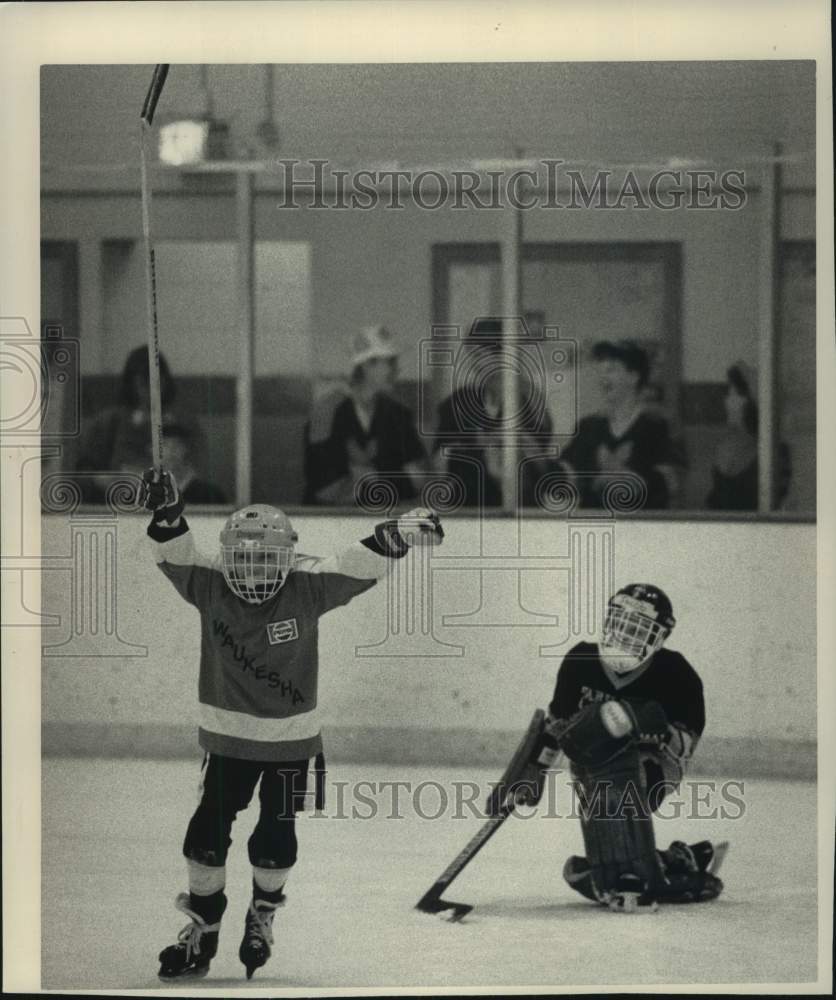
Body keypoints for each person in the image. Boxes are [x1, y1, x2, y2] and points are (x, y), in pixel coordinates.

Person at [139, 468, 443, 980]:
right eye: (244, 556)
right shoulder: (209, 581)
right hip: (228, 743)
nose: (255, 569)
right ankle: (205, 926)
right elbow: (175, 552)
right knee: (205, 837)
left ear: (287, 557)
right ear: (227, 554)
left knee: (276, 839)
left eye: (266, 558)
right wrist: (166, 513)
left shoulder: (305, 587)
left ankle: (262, 913)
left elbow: (355, 560)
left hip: (289, 745)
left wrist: (400, 531)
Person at [539, 583, 723, 911]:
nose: (625, 637)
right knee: (602, 781)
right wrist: (528, 774)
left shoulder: (677, 674)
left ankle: (633, 872)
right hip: (592, 765)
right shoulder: (580, 660)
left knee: (617, 782)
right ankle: (672, 862)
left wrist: (648, 728)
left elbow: (683, 745)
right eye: (620, 624)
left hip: (653, 765)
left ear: (660, 638)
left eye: (638, 630)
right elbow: (555, 726)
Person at [433, 318, 555, 508]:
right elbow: (439, 464)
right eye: (471, 355)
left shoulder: (530, 402)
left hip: (520, 509)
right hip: (466, 511)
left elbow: (542, 463)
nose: (474, 363)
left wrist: (515, 439)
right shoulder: (457, 403)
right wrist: (485, 446)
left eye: (479, 354)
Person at [303, 325, 427, 506]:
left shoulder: (398, 414)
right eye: (390, 362)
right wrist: (391, 480)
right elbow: (325, 488)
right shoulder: (326, 411)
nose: (397, 369)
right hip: (329, 524)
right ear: (367, 365)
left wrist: (369, 478)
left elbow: (420, 480)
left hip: (383, 521)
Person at [559, 340, 682, 510]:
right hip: (594, 528)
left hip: (644, 529)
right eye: (601, 371)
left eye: (611, 370)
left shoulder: (658, 427)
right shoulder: (588, 427)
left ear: (633, 377)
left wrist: (630, 481)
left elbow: (672, 484)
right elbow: (566, 474)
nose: (603, 378)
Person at [73, 345, 205, 502]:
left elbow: (196, 470)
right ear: (131, 384)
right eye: (144, 382)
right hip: (119, 503)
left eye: (157, 381)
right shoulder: (108, 423)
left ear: (166, 382)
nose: (152, 389)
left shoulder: (184, 422)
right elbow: (84, 473)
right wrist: (103, 481)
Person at [706, 361, 791, 511]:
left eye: (732, 394)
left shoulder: (776, 452)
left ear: (750, 402)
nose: (726, 400)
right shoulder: (724, 445)